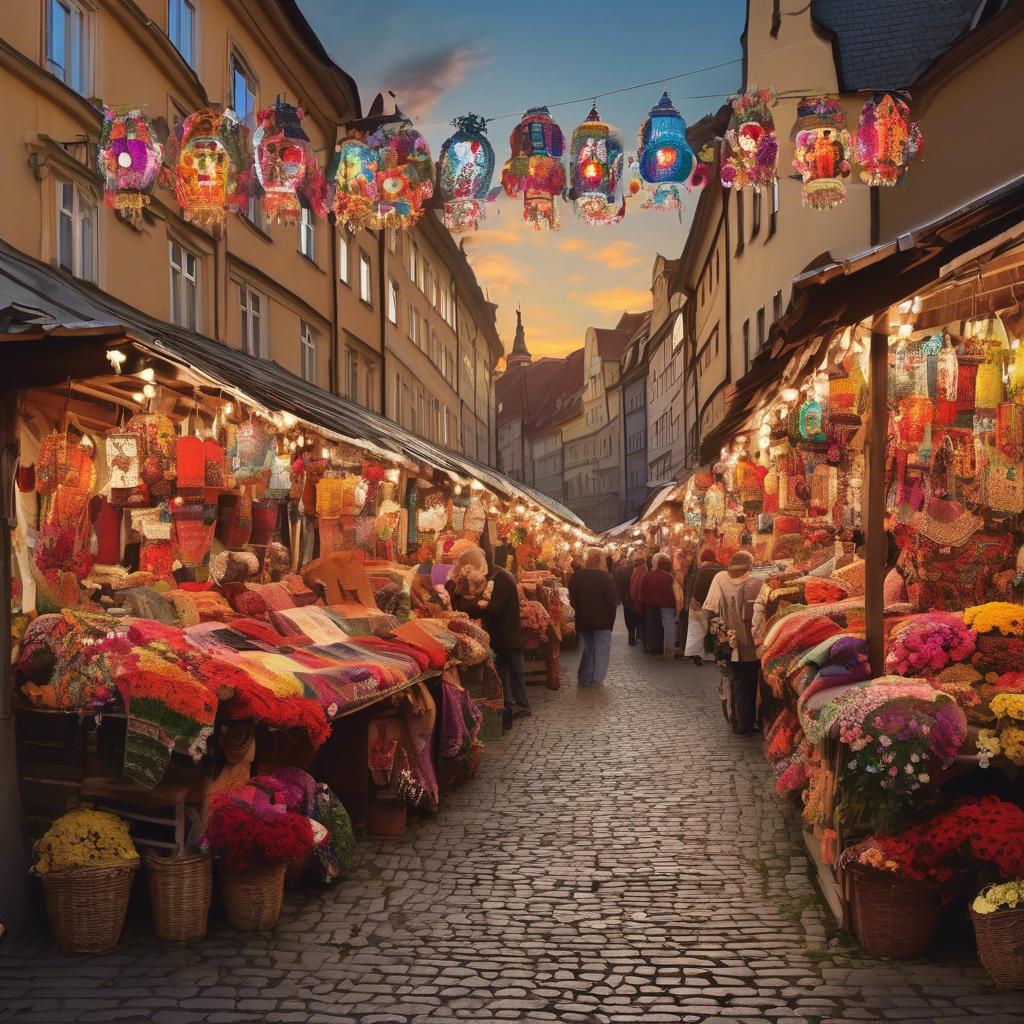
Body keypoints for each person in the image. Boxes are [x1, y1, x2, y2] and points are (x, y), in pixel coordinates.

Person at [446, 546, 529, 729]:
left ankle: (522, 705)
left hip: (508, 635)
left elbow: (494, 609)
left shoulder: (502, 580)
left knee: (515, 671)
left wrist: (469, 609)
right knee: (504, 673)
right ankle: (508, 705)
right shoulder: (494, 578)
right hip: (499, 636)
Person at [703, 551, 762, 736]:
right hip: (753, 640)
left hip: (729, 639)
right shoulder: (755, 581)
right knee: (752, 680)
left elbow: (710, 608)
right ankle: (750, 720)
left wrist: (715, 635)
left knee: (737, 680)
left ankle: (740, 723)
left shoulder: (720, 578)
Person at [568, 547, 618, 686]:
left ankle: (584, 677)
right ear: (601, 560)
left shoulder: (576, 577)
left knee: (589, 648)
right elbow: (612, 602)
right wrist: (610, 622)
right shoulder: (606, 578)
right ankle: (596, 679)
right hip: (603, 622)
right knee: (601, 651)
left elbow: (572, 600)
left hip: (583, 620)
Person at [684, 550, 725, 665]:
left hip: (699, 602)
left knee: (696, 629)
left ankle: (695, 653)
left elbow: (691, 587)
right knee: (716, 628)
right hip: (717, 603)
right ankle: (714, 654)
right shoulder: (723, 569)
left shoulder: (700, 570)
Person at [638, 552, 677, 659]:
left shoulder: (648, 576)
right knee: (668, 627)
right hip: (668, 605)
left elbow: (642, 593)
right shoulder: (670, 577)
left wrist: (642, 607)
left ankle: (651, 648)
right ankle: (669, 648)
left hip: (652, 605)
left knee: (652, 626)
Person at [613, 554, 640, 645]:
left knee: (628, 617)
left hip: (626, 599)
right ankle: (634, 636)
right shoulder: (636, 571)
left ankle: (631, 635)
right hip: (632, 598)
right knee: (634, 616)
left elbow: (618, 585)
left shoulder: (619, 571)